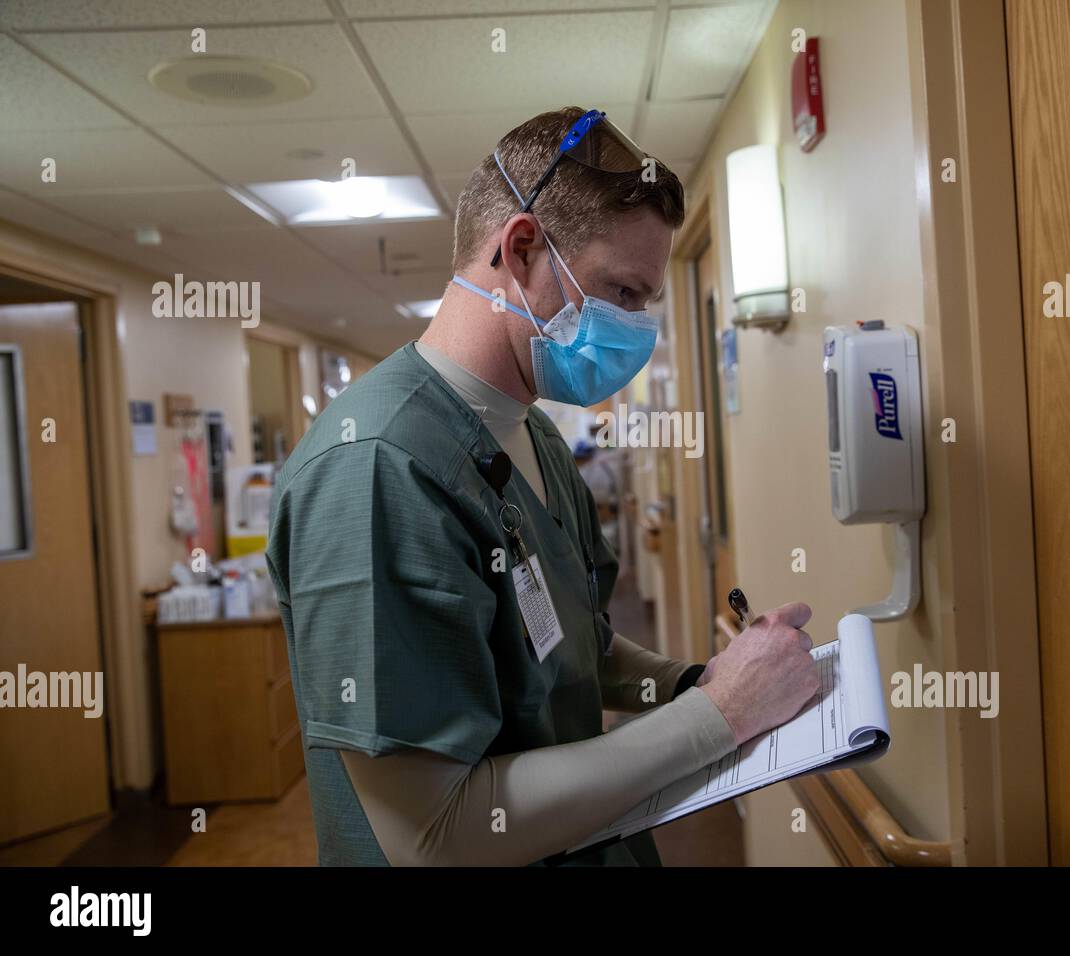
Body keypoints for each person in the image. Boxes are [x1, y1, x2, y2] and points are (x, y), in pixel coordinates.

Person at [266, 107, 819, 867]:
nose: (634, 327)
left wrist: (699, 683)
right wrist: (716, 718)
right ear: (522, 247)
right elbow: (431, 835)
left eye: (644, 303)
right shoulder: (374, 469)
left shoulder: (536, 438)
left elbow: (576, 648)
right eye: (621, 294)